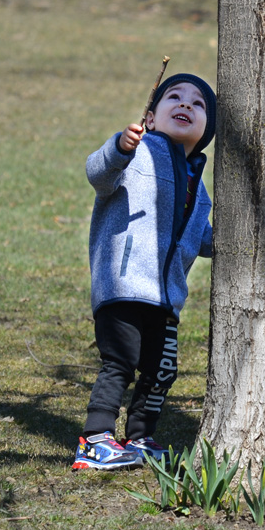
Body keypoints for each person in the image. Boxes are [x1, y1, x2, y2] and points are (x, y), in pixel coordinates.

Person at [72, 73, 216, 470]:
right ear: (150, 118)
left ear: (207, 131)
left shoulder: (198, 187)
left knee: (162, 368)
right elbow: (98, 176)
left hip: (166, 294)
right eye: (175, 97)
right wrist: (119, 147)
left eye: (198, 104)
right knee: (120, 360)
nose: (186, 104)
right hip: (123, 282)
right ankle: (95, 438)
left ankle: (138, 438)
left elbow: (198, 238)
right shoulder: (135, 154)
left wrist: (227, 240)